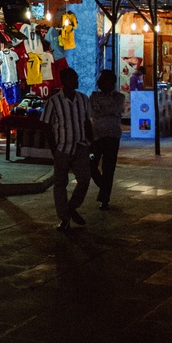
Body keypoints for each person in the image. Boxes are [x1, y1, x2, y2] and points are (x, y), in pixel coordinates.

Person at [41, 67, 93, 231]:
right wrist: (54, 149)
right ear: (65, 81)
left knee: (84, 179)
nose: (77, 81)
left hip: (80, 146)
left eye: (76, 78)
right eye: (73, 78)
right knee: (60, 184)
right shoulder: (54, 102)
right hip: (63, 147)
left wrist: (90, 141)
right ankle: (64, 217)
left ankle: (72, 206)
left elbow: (86, 122)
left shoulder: (83, 99)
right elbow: (47, 126)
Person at [89, 69, 125, 211]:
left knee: (108, 168)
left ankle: (105, 198)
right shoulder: (93, 96)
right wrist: (105, 110)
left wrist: (102, 109)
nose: (100, 82)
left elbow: (114, 110)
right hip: (96, 135)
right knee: (91, 166)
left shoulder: (119, 97)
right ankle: (104, 187)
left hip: (112, 136)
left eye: (103, 80)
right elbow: (94, 111)